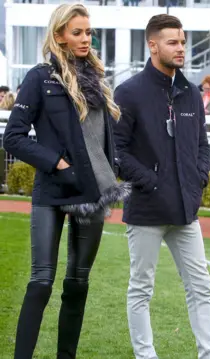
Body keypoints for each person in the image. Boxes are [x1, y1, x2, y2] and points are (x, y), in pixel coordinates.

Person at [3, 4, 130, 358]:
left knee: (77, 284)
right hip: (52, 189)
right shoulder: (40, 77)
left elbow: (103, 136)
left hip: (94, 191)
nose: (85, 39)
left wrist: (114, 163)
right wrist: (57, 163)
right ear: (59, 35)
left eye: (88, 32)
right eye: (77, 32)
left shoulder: (97, 81)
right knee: (41, 282)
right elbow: (13, 137)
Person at [112, 14, 210, 359]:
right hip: (146, 209)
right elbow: (115, 151)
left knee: (200, 286)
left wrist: (198, 179)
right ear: (153, 45)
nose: (181, 48)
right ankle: (146, 356)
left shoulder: (190, 93)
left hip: (186, 211)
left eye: (184, 42)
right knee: (142, 288)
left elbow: (202, 145)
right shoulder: (128, 93)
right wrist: (151, 182)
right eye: (173, 42)